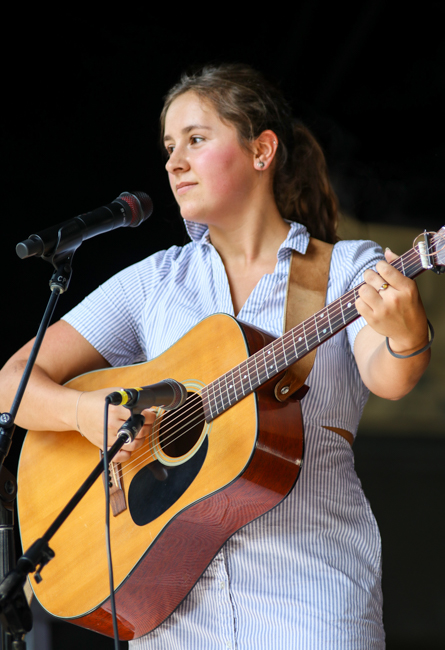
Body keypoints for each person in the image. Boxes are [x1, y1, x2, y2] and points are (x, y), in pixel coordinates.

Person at [0, 64, 431, 649]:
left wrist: (407, 333)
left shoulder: (345, 269)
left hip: (310, 601)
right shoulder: (154, 282)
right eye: (169, 147)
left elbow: (389, 378)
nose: (174, 163)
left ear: (261, 151)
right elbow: (13, 381)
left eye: (196, 139)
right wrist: (83, 414)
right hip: (169, 615)